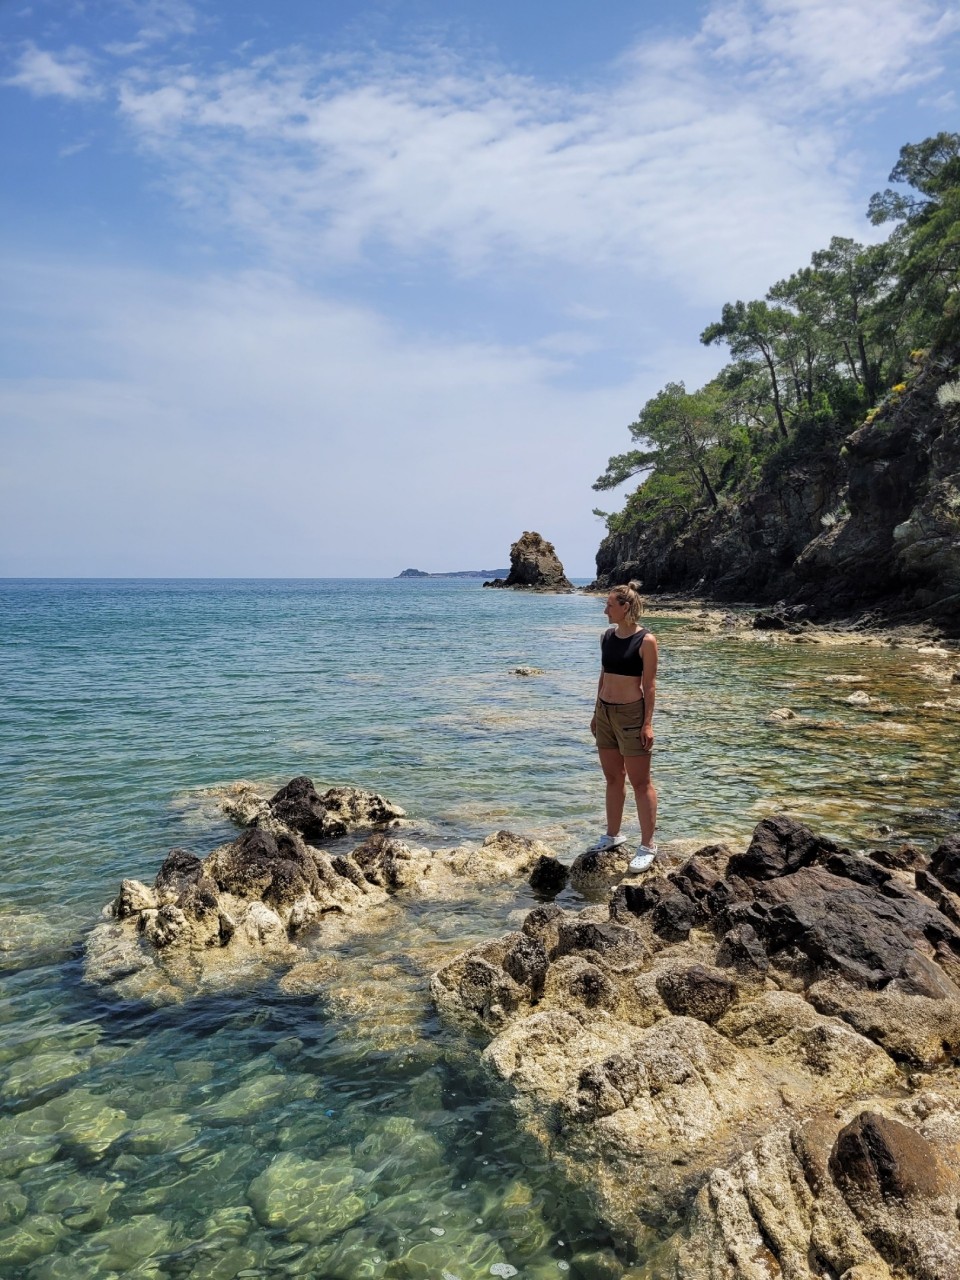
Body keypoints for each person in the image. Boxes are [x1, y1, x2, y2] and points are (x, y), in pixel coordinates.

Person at [588, 581, 659, 871]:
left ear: (625, 607)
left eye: (609, 605)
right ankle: (613, 835)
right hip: (605, 713)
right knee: (613, 778)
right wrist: (596, 713)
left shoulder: (646, 641)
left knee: (641, 783)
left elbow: (649, 686)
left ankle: (648, 845)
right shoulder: (606, 636)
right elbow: (603, 675)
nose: (605, 610)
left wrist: (647, 724)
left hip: (632, 716)